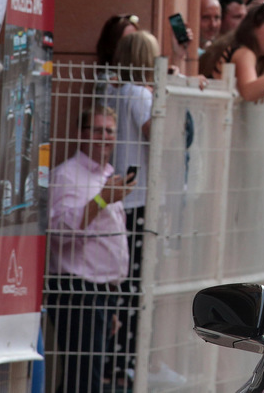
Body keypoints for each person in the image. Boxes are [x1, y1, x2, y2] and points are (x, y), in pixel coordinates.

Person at [47, 104, 134, 393]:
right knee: (84, 379)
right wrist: (99, 201)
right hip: (78, 291)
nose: (104, 137)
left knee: (84, 378)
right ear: (80, 134)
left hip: (102, 292)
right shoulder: (67, 175)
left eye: (110, 131)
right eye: (97, 130)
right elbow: (58, 231)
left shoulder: (108, 175)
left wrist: (110, 301)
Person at [105, 30, 159, 382]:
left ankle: (115, 358)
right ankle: (124, 359)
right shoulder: (139, 94)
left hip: (118, 193)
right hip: (137, 197)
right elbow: (156, 131)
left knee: (119, 282)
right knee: (135, 283)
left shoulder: (113, 90)